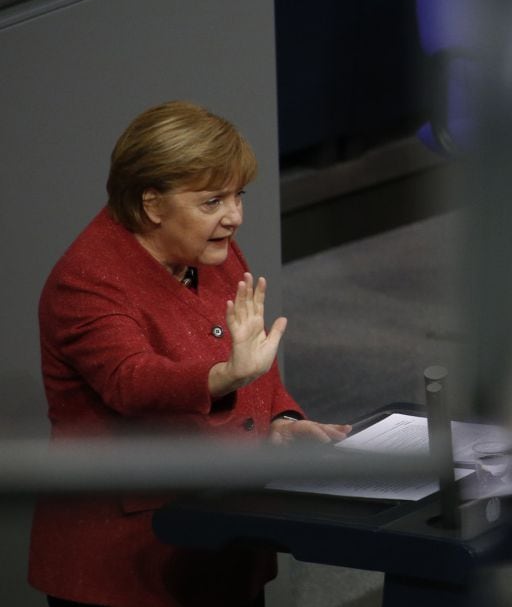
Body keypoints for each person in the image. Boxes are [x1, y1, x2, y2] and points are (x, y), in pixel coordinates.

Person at [28, 101, 351, 607]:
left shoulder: (211, 253)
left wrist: (282, 421)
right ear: (152, 204)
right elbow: (132, 381)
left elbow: (252, 362)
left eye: (238, 196)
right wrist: (224, 376)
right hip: (130, 561)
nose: (235, 217)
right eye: (213, 201)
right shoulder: (86, 282)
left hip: (224, 539)